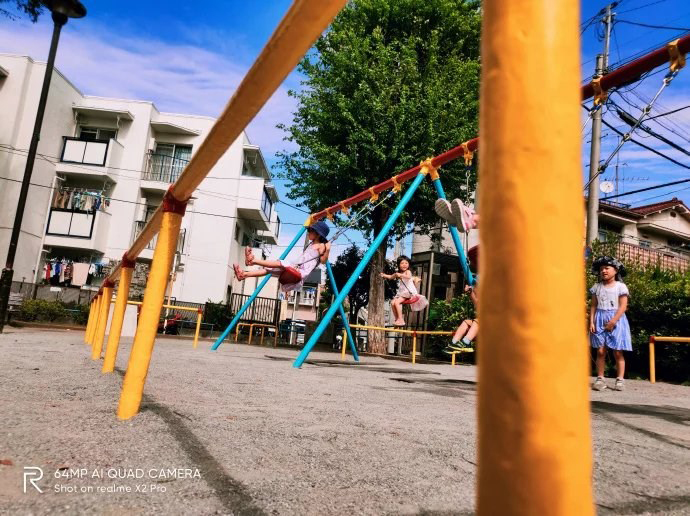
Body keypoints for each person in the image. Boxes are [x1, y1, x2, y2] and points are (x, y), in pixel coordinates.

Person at [234, 221, 331, 293]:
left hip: (301, 272)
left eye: (310, 230)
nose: (308, 232)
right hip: (296, 267)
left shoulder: (321, 246)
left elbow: (323, 261)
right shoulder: (311, 244)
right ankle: (243, 275)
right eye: (308, 230)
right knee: (269, 270)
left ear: (318, 234)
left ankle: (253, 261)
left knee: (280, 262)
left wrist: (328, 250)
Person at [589, 256, 632, 392]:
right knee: (600, 351)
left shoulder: (620, 287)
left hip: (617, 319)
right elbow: (593, 306)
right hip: (600, 318)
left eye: (607, 268)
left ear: (616, 270)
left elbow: (623, 306)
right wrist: (592, 322)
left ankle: (620, 379)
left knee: (617, 352)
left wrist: (613, 321)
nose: (604, 271)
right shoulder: (597, 287)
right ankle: (600, 378)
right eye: (601, 269)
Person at [380, 255, 417, 326]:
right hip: (402, 292)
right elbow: (390, 277)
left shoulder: (408, 271)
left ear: (408, 264)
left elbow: (409, 277)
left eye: (406, 263)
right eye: (402, 263)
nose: (404, 265)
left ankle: (401, 319)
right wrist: (384, 275)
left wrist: (400, 275)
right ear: (399, 265)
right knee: (392, 302)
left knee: (397, 302)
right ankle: (397, 319)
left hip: (408, 292)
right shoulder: (398, 273)